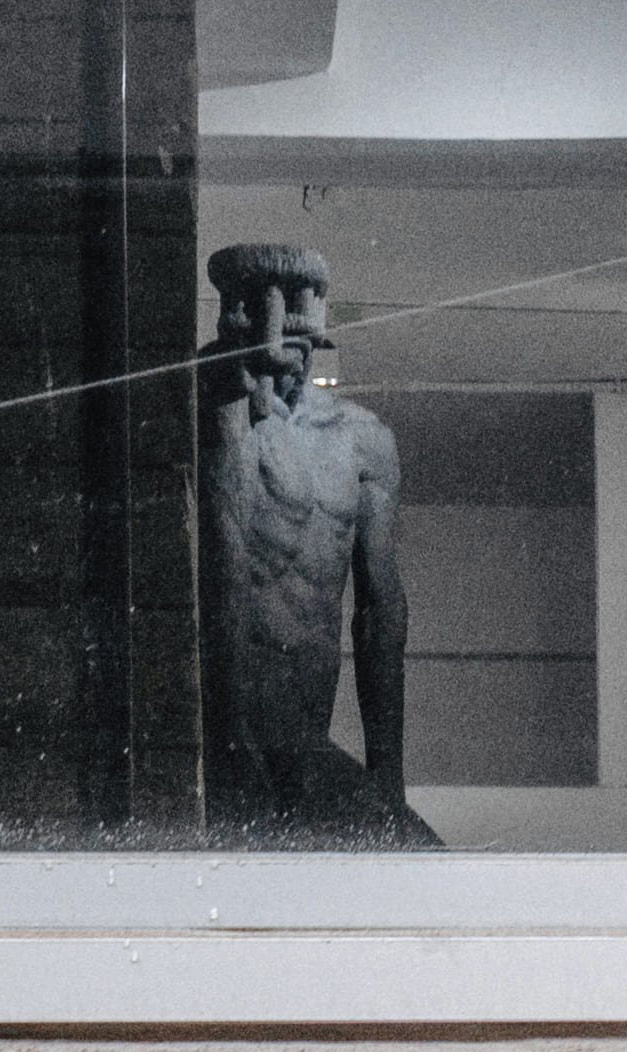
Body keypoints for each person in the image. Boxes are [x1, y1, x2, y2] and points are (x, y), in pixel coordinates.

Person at [196, 245, 433, 845]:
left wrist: (388, 773)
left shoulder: (363, 441)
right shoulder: (217, 409)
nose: (289, 355)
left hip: (306, 727)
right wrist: (229, 734)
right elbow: (224, 561)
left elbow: (381, 613)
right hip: (227, 719)